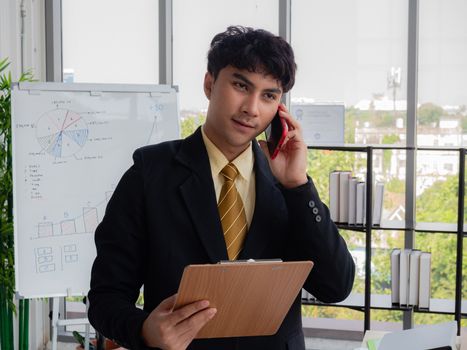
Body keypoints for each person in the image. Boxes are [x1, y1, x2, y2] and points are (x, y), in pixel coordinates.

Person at [88, 26, 355, 350]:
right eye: (241, 85)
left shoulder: (286, 186)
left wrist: (297, 186)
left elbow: (335, 286)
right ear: (210, 83)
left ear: (279, 109)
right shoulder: (150, 173)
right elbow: (105, 298)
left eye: (269, 95)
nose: (252, 108)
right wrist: (146, 330)